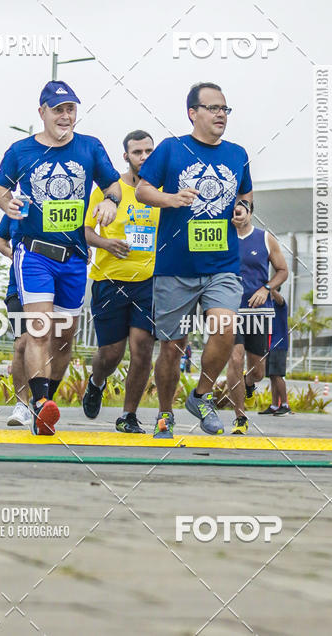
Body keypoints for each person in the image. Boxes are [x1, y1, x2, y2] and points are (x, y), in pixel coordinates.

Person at [0, 80, 121, 436]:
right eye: (58, 109)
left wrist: (111, 201)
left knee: (64, 339)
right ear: (42, 113)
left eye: (70, 110)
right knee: (38, 330)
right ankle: (37, 405)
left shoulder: (90, 148)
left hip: (75, 258)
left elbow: (113, 184)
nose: (65, 116)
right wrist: (8, 203)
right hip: (33, 253)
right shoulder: (21, 151)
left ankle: (46, 401)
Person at [136, 82, 253, 438]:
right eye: (213, 108)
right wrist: (170, 199)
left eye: (225, 109)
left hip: (221, 265)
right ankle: (165, 413)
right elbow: (143, 189)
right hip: (175, 268)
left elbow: (246, 196)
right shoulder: (172, 149)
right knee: (172, 348)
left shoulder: (237, 154)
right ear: (193, 113)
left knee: (224, 329)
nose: (221, 115)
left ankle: (201, 395)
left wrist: (242, 211)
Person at [81, 129, 159, 434]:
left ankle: (128, 415)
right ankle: (96, 382)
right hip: (109, 279)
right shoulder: (109, 189)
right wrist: (106, 244)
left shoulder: (159, 191)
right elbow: (86, 233)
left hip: (148, 281)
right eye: (137, 152)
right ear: (126, 157)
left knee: (142, 349)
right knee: (111, 353)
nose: (144, 157)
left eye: (149, 151)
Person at [228, 202, 288, 433]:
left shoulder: (265, 238)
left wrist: (266, 288)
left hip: (258, 312)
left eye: (242, 208)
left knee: (258, 372)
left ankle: (249, 383)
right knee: (235, 358)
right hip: (230, 310)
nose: (237, 212)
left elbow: (282, 270)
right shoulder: (222, 236)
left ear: (251, 213)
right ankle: (240, 418)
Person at [0, 214, 32, 426]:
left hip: (54, 287)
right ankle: (22, 404)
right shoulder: (17, 208)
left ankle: (43, 398)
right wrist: (13, 255)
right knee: (22, 343)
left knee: (51, 343)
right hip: (17, 289)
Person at [259, 287, 291, 416]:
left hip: (279, 344)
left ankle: (285, 405)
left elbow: (280, 298)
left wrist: (270, 287)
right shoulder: (269, 305)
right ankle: (273, 405)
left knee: (278, 375)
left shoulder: (280, 304)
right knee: (272, 376)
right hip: (270, 345)